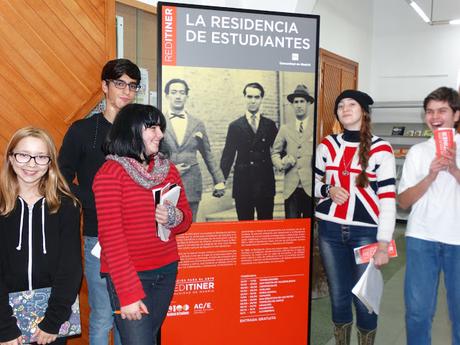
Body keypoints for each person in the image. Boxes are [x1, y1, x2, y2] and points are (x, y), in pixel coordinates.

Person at [93, 104, 192, 345]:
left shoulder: (167, 170)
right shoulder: (110, 174)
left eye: (161, 128)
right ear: (131, 130)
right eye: (152, 127)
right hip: (131, 278)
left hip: (166, 271)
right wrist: (128, 294)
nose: (160, 134)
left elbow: (186, 218)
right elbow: (112, 240)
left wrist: (173, 217)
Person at [58, 58, 141, 345]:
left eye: (132, 86)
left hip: (136, 237)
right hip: (98, 236)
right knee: (104, 314)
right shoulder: (82, 130)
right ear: (104, 86)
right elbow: (60, 177)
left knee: (127, 313)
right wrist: (93, 200)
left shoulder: (140, 132)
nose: (127, 91)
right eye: (120, 84)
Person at [314, 90, 396, 345]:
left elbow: (388, 199)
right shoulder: (326, 145)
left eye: (352, 104)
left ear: (364, 112)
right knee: (338, 297)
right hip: (329, 230)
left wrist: (384, 244)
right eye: (340, 105)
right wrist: (327, 189)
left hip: (366, 233)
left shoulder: (381, 148)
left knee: (365, 298)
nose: (345, 108)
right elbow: (312, 184)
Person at [0, 127, 82, 345]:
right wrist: (4, 326)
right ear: (10, 157)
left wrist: (53, 321)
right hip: (4, 320)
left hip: (50, 321)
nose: (31, 164)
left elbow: (71, 268)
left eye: (40, 157)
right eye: (23, 154)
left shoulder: (66, 206)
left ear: (50, 163)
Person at [398, 87, 460, 345]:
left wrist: (454, 169)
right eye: (429, 112)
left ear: (456, 115)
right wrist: (431, 175)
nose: (435, 117)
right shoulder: (417, 152)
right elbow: (403, 201)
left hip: (458, 241)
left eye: (442, 110)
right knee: (417, 313)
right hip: (421, 238)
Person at [162, 78, 225, 222]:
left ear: (187, 96)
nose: (178, 96)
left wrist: (218, 180)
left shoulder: (197, 124)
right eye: (174, 92)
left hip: (192, 183)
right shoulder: (159, 122)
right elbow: (153, 155)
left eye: (182, 93)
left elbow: (207, 154)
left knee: (190, 227)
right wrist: (170, 169)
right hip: (166, 183)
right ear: (167, 96)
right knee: (166, 227)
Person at [220, 82, 278, 220]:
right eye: (249, 96)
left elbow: (279, 149)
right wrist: (221, 181)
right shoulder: (235, 126)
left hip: (265, 183)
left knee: (265, 226)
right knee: (245, 226)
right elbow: (228, 155)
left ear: (261, 99)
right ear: (244, 98)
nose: (253, 101)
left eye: (256, 97)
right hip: (243, 184)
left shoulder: (269, 125)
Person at [272, 84, 315, 218]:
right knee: (292, 228)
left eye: (302, 101)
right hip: (291, 188)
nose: (298, 105)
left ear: (308, 103)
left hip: (310, 188)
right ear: (292, 105)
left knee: (310, 229)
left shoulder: (316, 127)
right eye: (295, 102)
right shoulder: (285, 129)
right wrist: (280, 164)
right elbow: (275, 152)